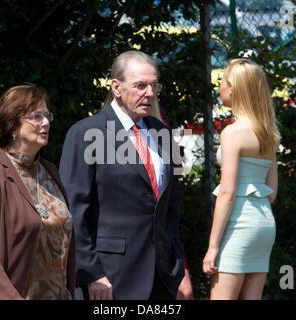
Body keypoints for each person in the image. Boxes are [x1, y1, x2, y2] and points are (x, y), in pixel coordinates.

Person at [60, 50, 185, 300]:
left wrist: (176, 260)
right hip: (109, 280)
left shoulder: (162, 133)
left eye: (154, 85)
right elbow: (73, 210)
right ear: (116, 87)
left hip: (162, 279)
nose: (150, 93)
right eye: (140, 85)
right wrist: (90, 274)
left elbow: (171, 205)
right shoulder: (86, 133)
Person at [0, 84, 75, 300]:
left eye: (47, 115)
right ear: (12, 124)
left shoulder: (50, 171)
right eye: (36, 116)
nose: (46, 122)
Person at [202, 59, 280, 300]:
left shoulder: (233, 133)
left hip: (238, 225)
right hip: (264, 224)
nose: (219, 89)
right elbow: (272, 191)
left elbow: (227, 192)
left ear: (233, 88)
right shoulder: (269, 133)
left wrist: (213, 246)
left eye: (222, 83)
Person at [150, 100, 194, 300]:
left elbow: (175, 168)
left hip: (165, 232)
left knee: (185, 292)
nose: (148, 93)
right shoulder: (109, 130)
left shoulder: (160, 121)